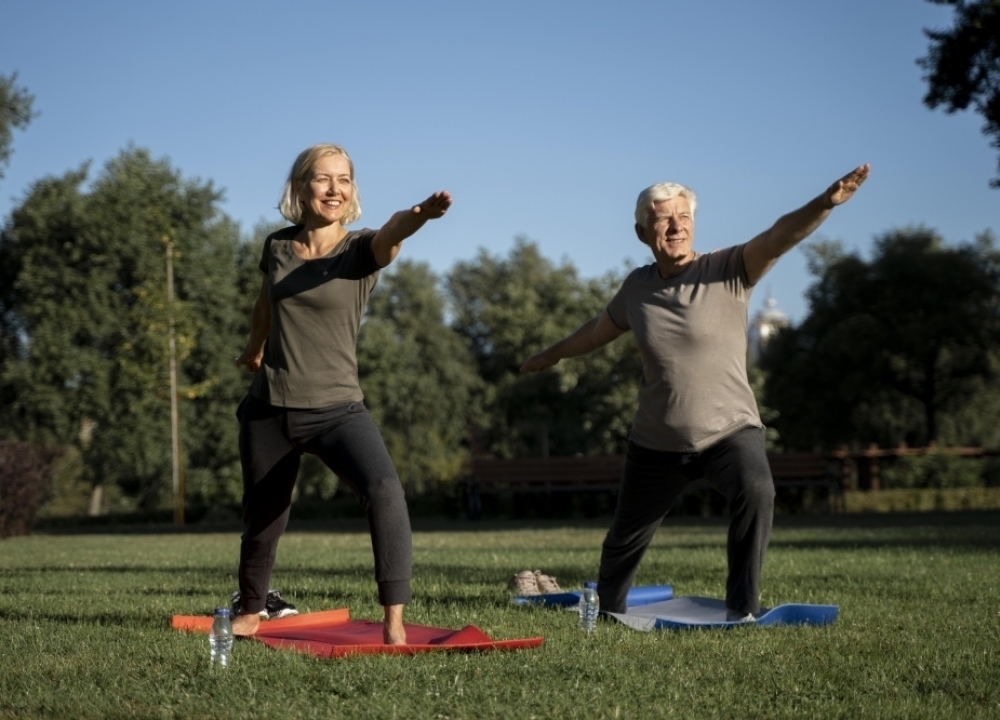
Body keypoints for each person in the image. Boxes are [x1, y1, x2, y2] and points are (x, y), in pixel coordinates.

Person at [521, 165, 870, 620]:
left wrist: (824, 203)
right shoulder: (637, 287)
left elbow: (779, 236)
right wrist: (553, 354)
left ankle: (742, 610)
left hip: (730, 431)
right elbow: (597, 330)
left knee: (756, 490)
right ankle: (608, 608)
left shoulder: (728, 269)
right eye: (664, 218)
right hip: (656, 441)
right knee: (624, 539)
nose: (676, 226)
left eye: (684, 216)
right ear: (642, 232)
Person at [232, 143, 452, 643]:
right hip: (270, 408)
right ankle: (251, 608)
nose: (334, 189)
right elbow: (266, 301)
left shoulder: (360, 251)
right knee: (263, 515)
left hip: (336, 409)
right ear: (301, 187)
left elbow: (393, 231)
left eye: (344, 180)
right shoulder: (277, 246)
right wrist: (254, 347)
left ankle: (394, 621)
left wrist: (421, 213)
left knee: (385, 491)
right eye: (323, 178)